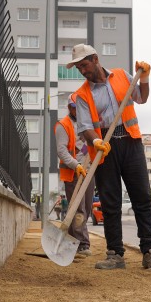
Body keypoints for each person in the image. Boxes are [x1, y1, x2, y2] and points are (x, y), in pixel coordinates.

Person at [67, 43, 151, 270]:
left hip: (131, 142)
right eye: (78, 67)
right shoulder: (81, 95)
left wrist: (145, 78)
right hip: (104, 150)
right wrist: (96, 141)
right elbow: (84, 127)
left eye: (84, 65)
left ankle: (150, 252)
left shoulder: (122, 76)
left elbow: (141, 98)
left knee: (141, 198)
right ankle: (115, 254)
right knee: (110, 204)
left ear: (95, 59)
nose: (82, 70)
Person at [54, 93, 94, 256]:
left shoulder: (89, 123)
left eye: (79, 108)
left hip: (89, 169)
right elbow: (61, 150)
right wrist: (76, 165)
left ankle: (71, 239)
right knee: (79, 209)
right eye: (73, 108)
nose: (77, 111)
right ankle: (82, 244)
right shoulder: (63, 125)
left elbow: (91, 144)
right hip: (73, 172)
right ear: (69, 107)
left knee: (87, 208)